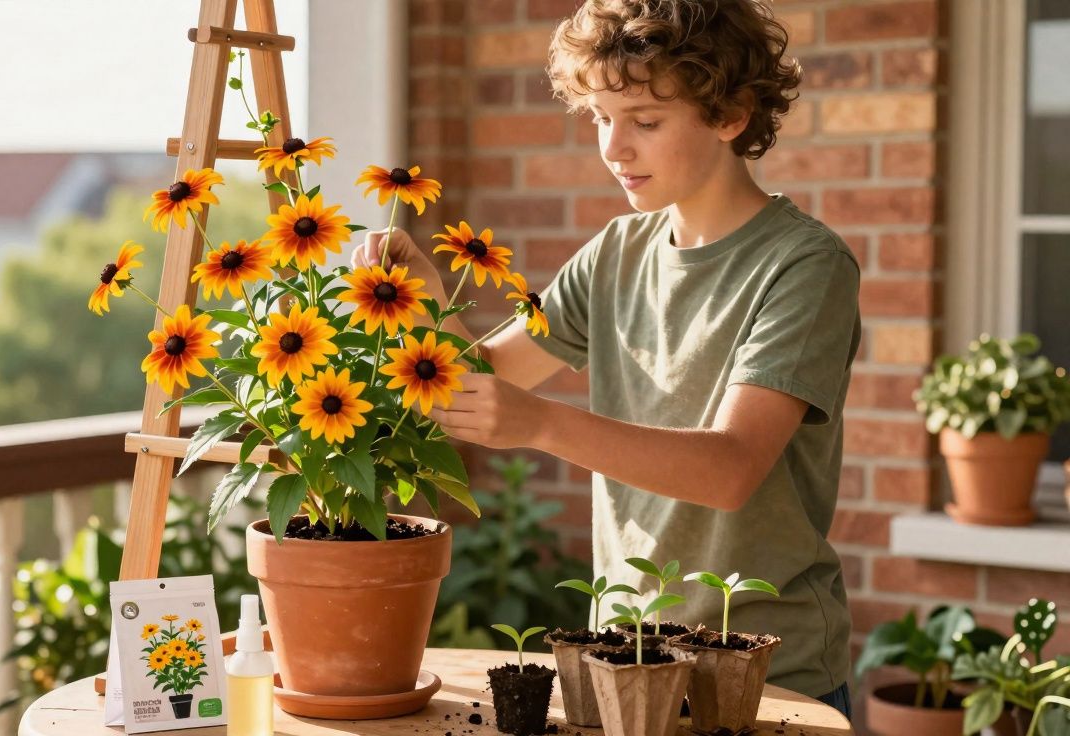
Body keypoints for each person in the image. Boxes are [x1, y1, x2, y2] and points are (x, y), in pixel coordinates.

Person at [352, 0, 859, 718]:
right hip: (624, 665)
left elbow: (731, 469)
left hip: (760, 674)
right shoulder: (616, 254)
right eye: (599, 117)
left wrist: (542, 425)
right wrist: (422, 305)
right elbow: (475, 386)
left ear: (731, 114)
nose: (614, 148)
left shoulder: (805, 266)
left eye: (644, 122)